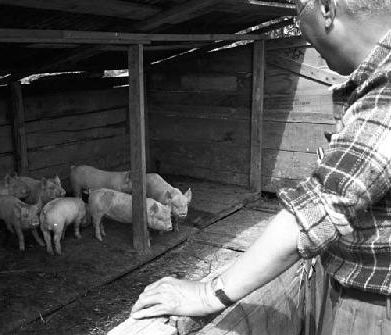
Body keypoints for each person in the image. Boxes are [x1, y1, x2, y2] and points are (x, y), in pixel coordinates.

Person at [130, 0, 391, 333]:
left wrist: (209, 292)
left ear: (326, 8)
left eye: (298, 10)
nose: (299, 28)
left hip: (374, 309)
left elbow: (317, 210)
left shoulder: (386, 96)